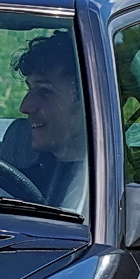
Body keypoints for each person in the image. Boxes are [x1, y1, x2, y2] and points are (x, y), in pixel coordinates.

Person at [12, 31, 89, 212]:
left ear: (87, 99)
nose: (25, 106)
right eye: (30, 89)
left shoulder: (110, 188)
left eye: (45, 90)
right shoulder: (17, 184)